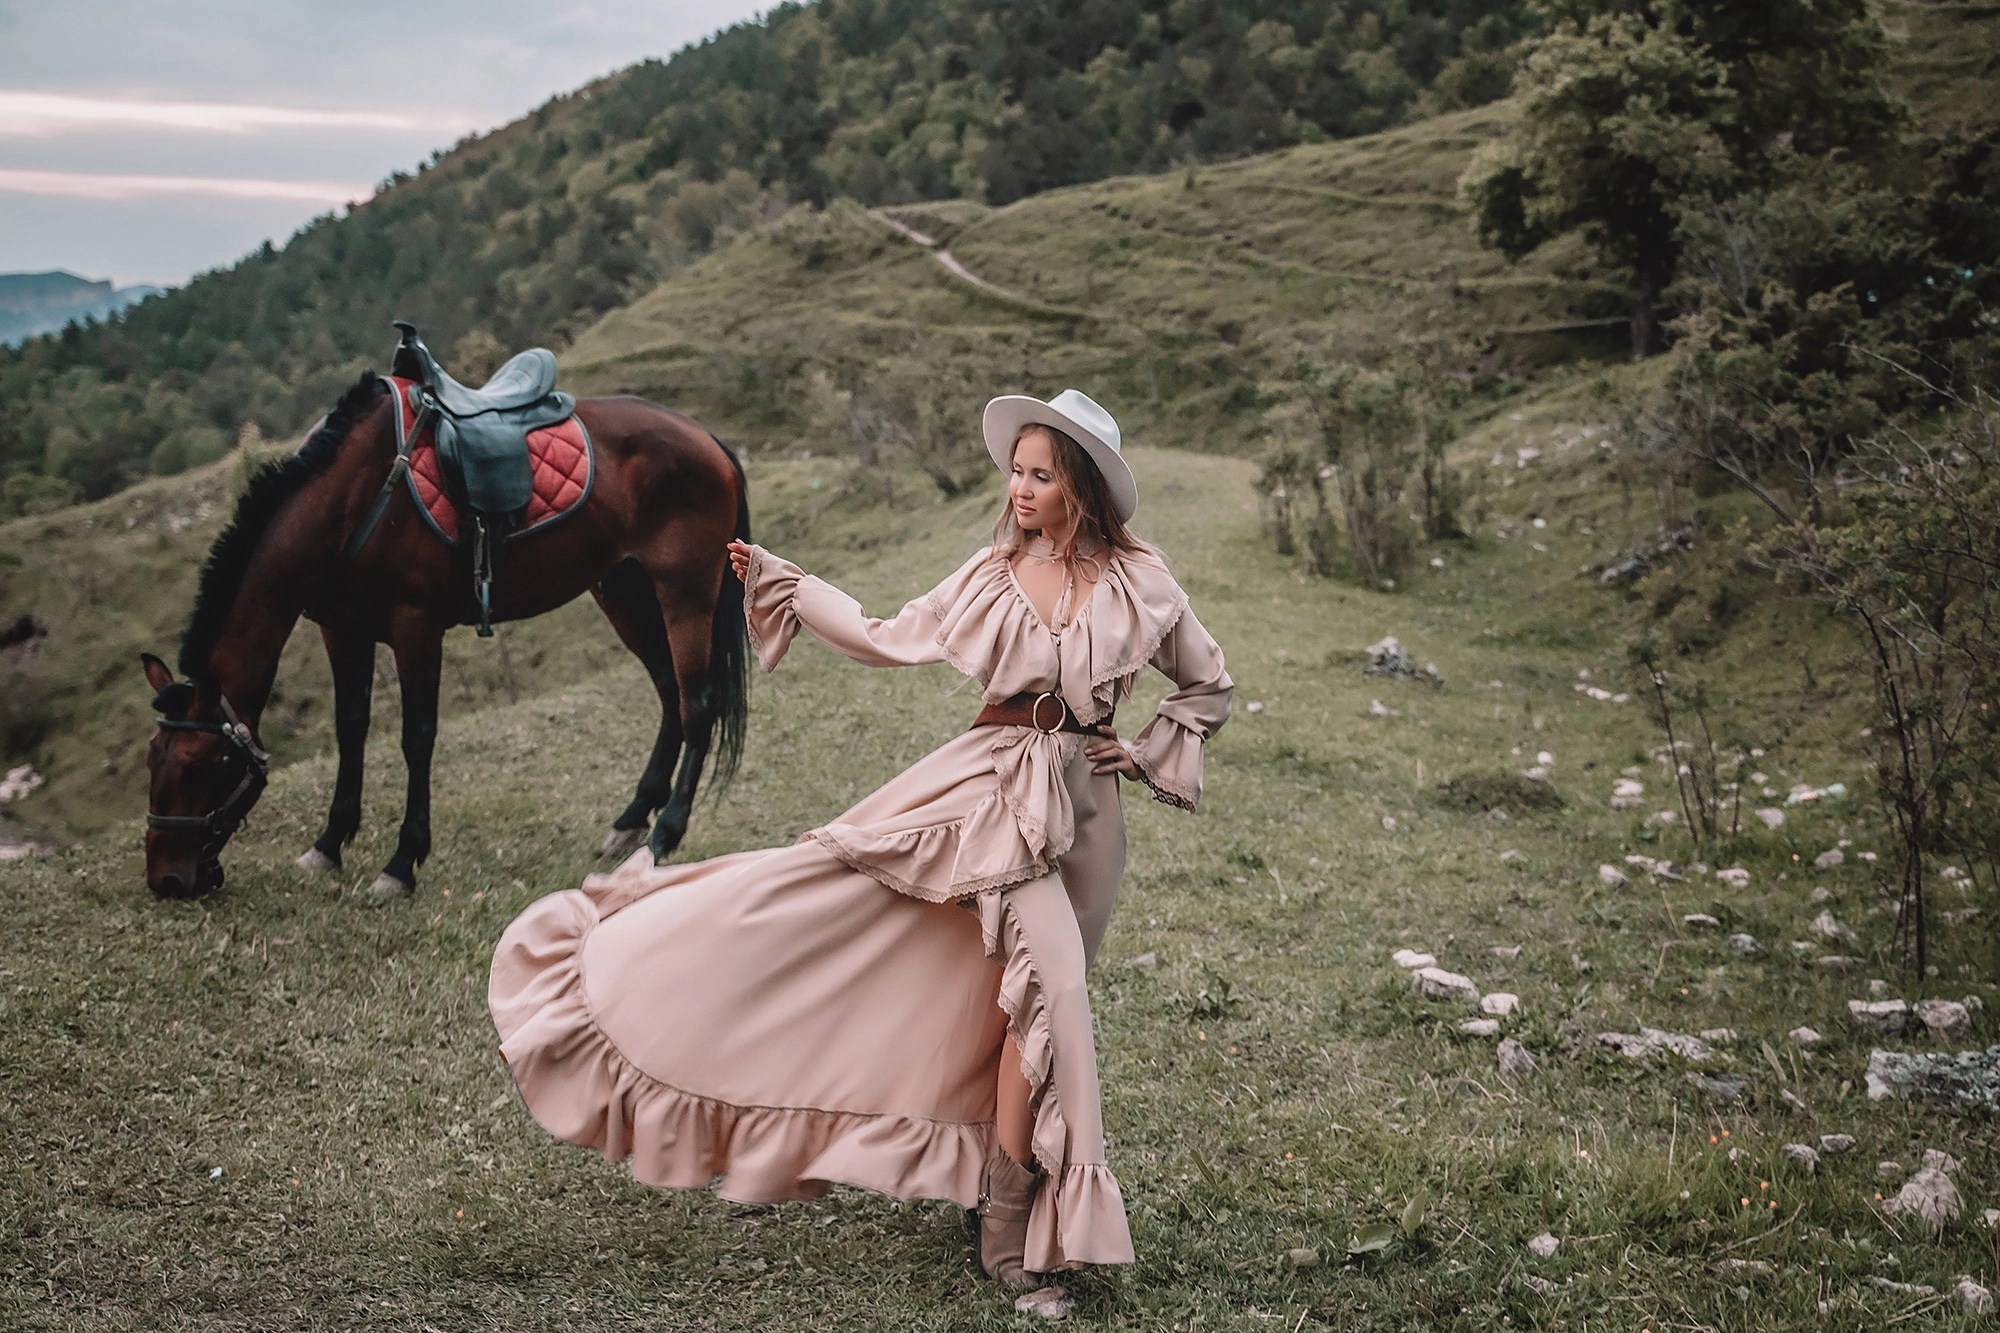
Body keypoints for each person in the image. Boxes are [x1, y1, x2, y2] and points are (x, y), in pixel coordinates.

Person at [488, 388, 1232, 1316]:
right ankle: (1011, 1232)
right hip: (992, 794)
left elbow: (1207, 680)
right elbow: (887, 637)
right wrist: (792, 587)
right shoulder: (993, 573)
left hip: (1087, 816)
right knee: (1056, 991)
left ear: (1080, 485)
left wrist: (1147, 748)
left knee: (1019, 1013)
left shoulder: (1142, 582)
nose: (1019, 488)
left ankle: (992, 1182)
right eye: (1016, 470)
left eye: (1041, 475)